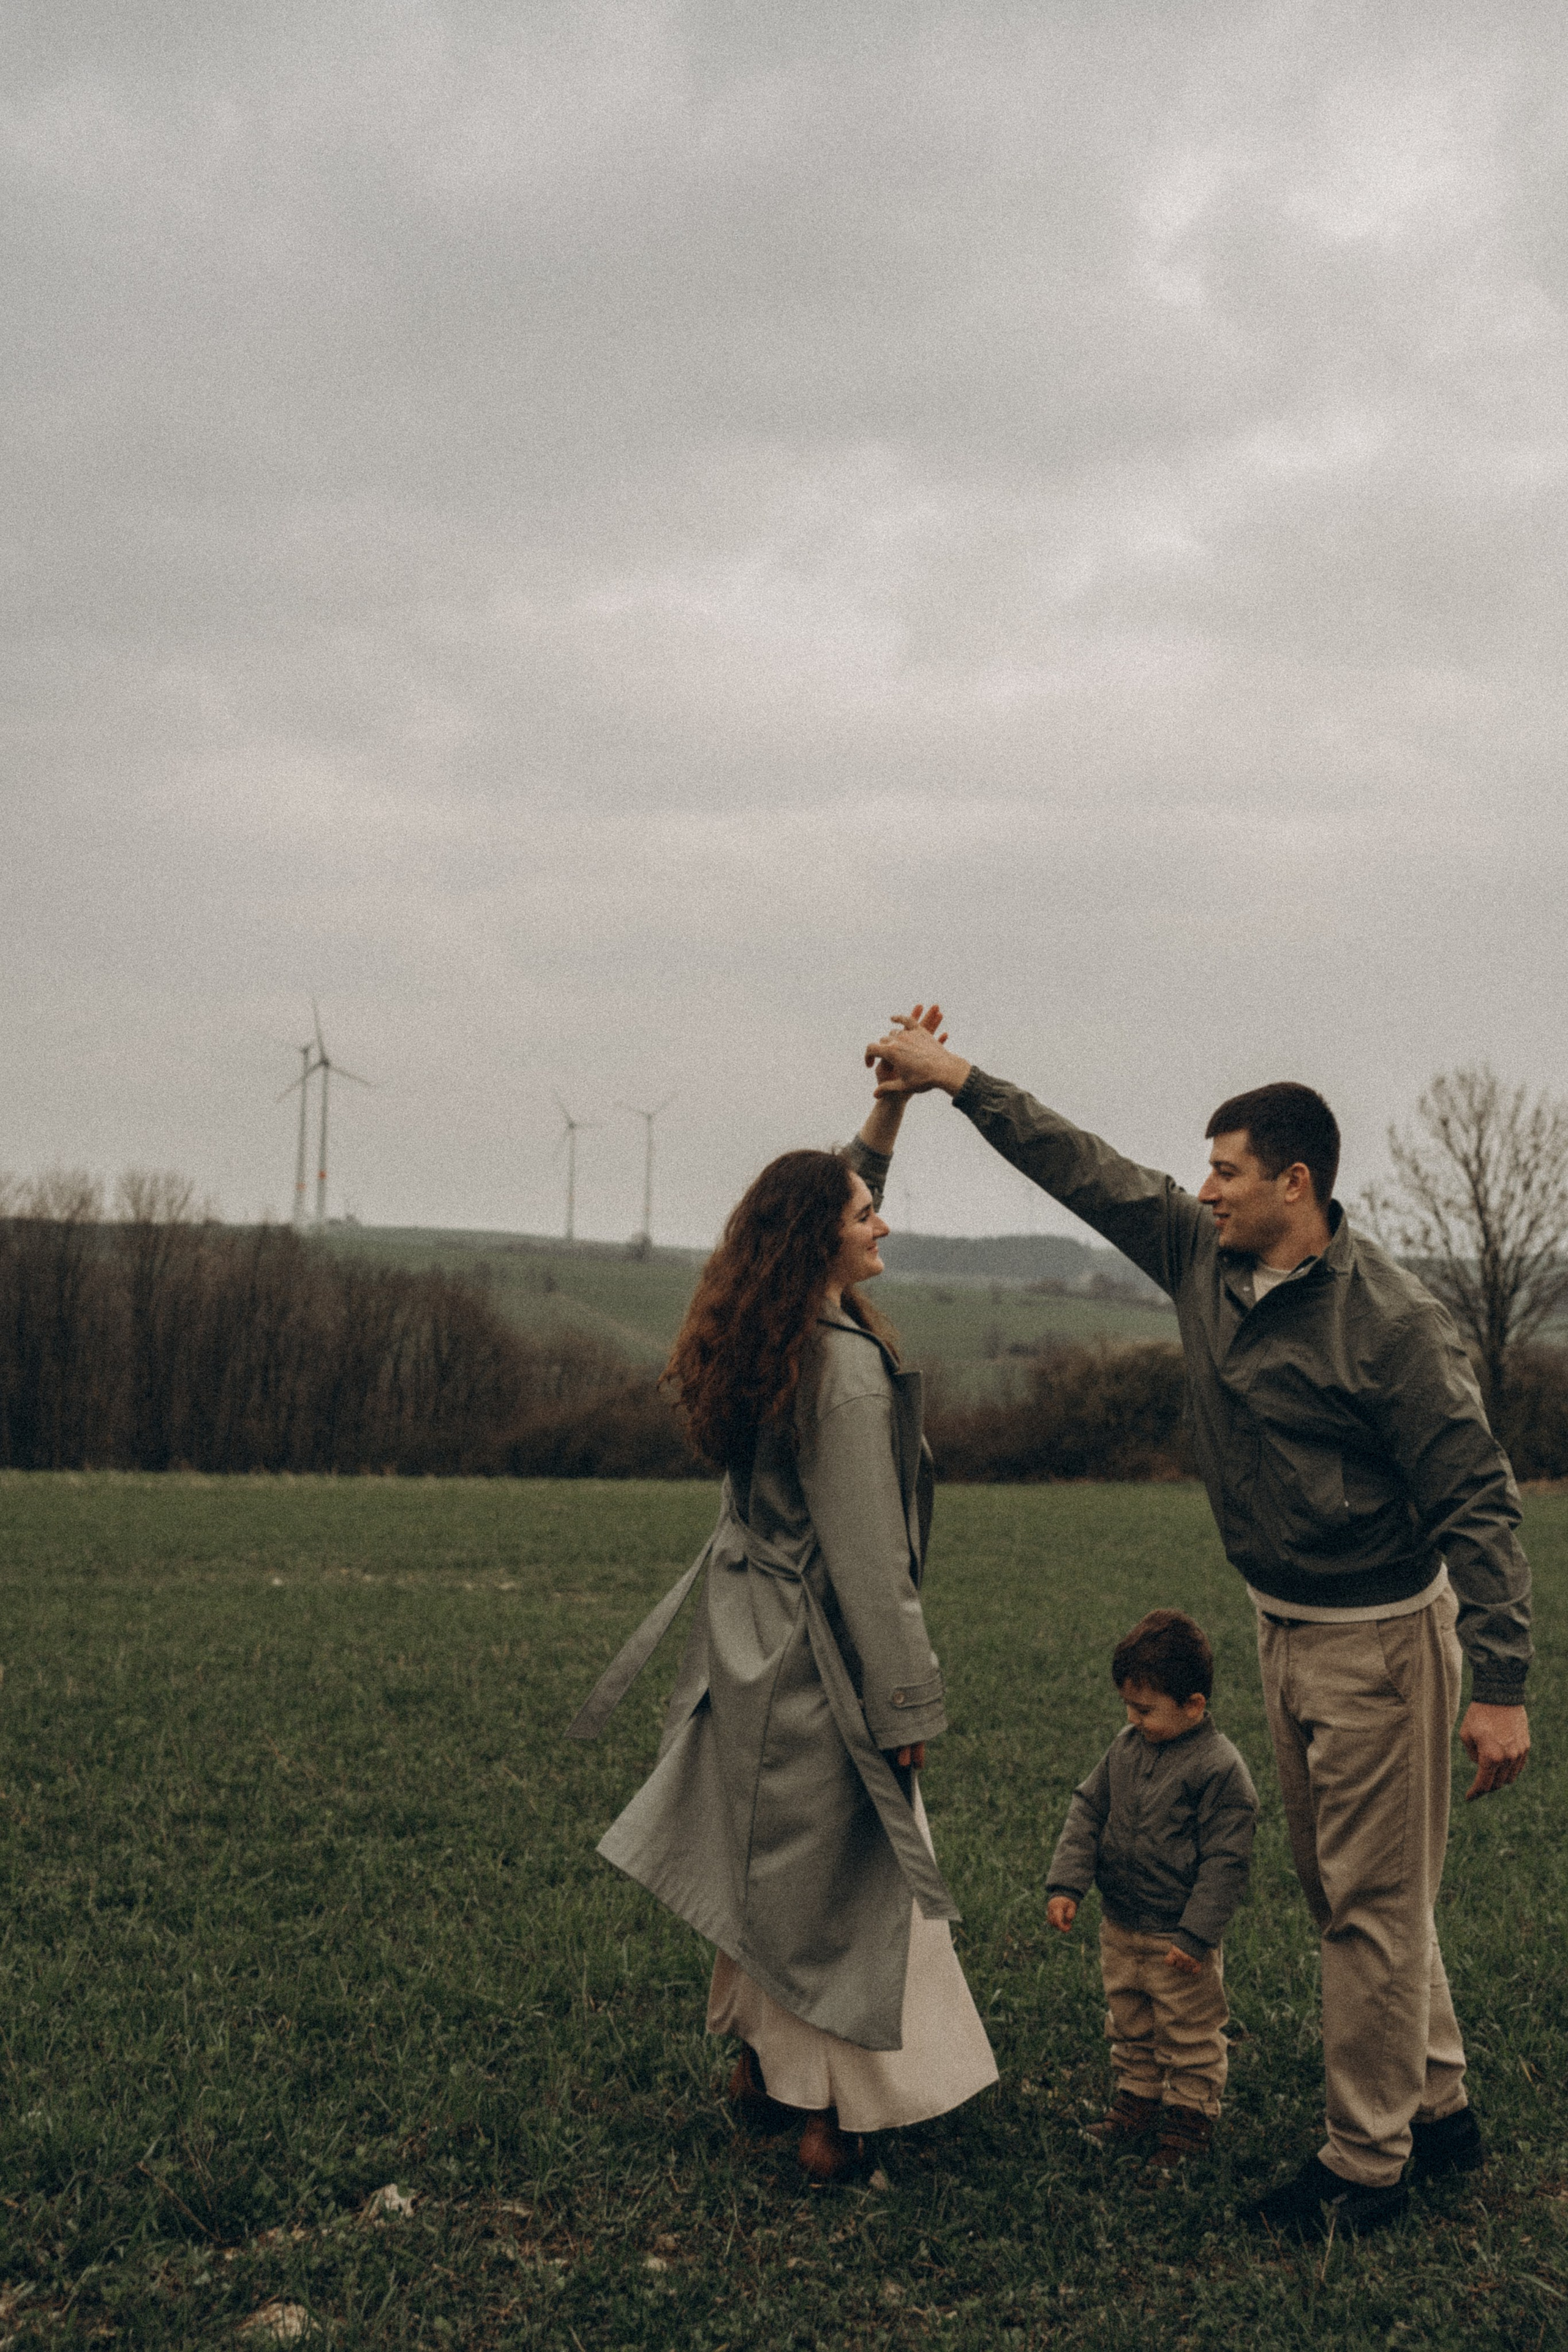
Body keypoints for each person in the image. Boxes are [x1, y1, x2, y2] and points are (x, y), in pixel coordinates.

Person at [866, 1013, 1531, 2237]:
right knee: (1354, 1887)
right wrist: (952, 1080)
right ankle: (1436, 2110)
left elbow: (1476, 1498)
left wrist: (1497, 1683)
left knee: (1366, 1912)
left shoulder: (1388, 1324)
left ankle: (1363, 2166)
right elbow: (1076, 1163)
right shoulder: (1196, 1256)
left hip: (1380, 1640)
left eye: (1224, 1169)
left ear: (1295, 1182)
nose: (1201, 1187)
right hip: (1282, 1628)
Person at [568, 1017, 997, 2184]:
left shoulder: (769, 1331)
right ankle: (835, 2119)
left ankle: (761, 2070)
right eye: (867, 1214)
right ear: (824, 1240)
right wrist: (907, 1711)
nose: (884, 1217)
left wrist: (893, 1110)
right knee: (854, 1894)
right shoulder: (846, 1367)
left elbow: (841, 1189)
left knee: (774, 1866)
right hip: (821, 1658)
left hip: (745, 1642)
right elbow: (869, 1566)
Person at [1044, 1608, 1258, 2172]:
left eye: (1145, 1710)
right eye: (1128, 1708)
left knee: (1187, 2032)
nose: (1133, 1719)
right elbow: (1089, 1808)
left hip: (1177, 1937)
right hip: (1122, 1924)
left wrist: (1197, 1934)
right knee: (1130, 2022)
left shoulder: (1219, 1769)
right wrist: (1068, 1882)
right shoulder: (1126, 1749)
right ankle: (1137, 2100)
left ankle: (1190, 2117)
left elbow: (1226, 1860)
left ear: (1194, 1706)